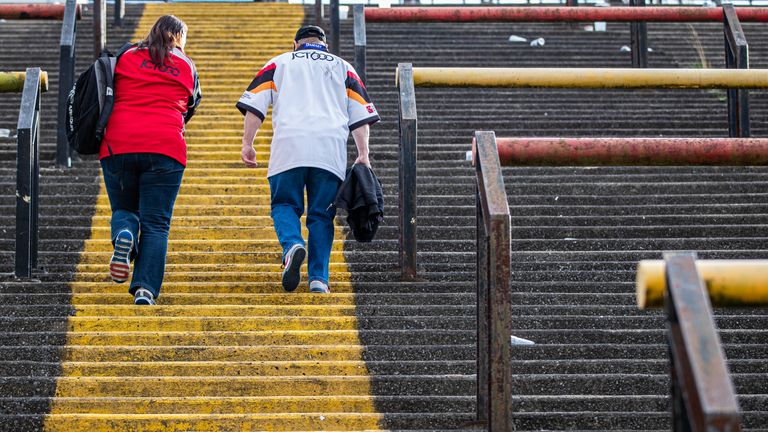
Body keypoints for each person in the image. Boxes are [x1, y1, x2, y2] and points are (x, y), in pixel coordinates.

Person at [236, 25, 379, 294]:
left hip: (288, 147)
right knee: (321, 216)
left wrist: (248, 143)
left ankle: (292, 245)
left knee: (284, 205)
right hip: (329, 150)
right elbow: (360, 117)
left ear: (295, 44)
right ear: (324, 44)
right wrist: (363, 156)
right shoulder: (343, 67)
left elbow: (254, 106)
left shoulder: (279, 62)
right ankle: (318, 280)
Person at [100, 15, 202, 305]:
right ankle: (145, 290)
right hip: (165, 147)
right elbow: (191, 105)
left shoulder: (126, 55)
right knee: (156, 224)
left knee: (123, 208)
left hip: (118, 143)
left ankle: (124, 233)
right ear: (179, 37)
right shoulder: (185, 64)